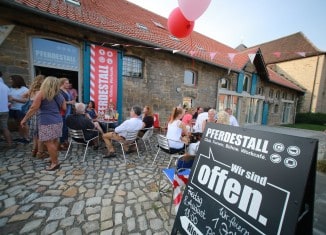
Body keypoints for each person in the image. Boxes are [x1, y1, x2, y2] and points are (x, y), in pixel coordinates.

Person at [21, 76, 66, 171]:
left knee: (49, 143)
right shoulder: (59, 95)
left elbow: (33, 108)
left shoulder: (42, 93)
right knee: (54, 141)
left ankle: (55, 163)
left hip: (46, 121)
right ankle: (53, 158)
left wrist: (24, 119)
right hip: (58, 120)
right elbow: (64, 108)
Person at [25, 74, 46, 158]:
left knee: (35, 134)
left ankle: (34, 151)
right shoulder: (41, 91)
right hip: (39, 113)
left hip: (33, 114)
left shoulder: (31, 91)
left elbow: (23, 96)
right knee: (40, 134)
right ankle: (40, 152)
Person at [8, 75, 30, 143]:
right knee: (18, 124)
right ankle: (21, 137)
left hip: (21, 109)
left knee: (23, 123)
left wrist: (14, 99)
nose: (10, 81)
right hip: (13, 108)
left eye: (11, 79)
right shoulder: (11, 89)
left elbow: (27, 100)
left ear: (16, 80)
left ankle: (27, 138)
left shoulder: (25, 89)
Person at [58, 77, 75, 150]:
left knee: (66, 128)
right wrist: (69, 102)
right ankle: (62, 143)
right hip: (63, 112)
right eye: (66, 83)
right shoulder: (59, 91)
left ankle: (66, 142)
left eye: (68, 83)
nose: (68, 84)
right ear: (62, 83)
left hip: (68, 111)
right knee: (63, 128)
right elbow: (60, 102)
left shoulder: (67, 91)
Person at [0, 76, 13, 147]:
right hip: (5, 110)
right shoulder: (5, 87)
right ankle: (10, 143)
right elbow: (10, 99)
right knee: (5, 128)